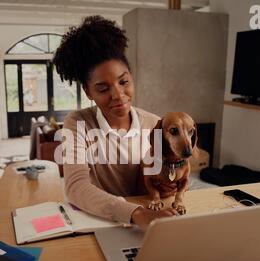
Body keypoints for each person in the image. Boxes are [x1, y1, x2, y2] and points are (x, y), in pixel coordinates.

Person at [53, 15, 178, 230]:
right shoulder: (78, 123)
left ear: (132, 77)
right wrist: (135, 213)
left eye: (124, 82)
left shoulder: (156, 123)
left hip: (150, 220)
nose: (118, 95)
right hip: (101, 221)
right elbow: (75, 187)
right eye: (103, 88)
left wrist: (169, 185)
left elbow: (168, 178)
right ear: (88, 91)